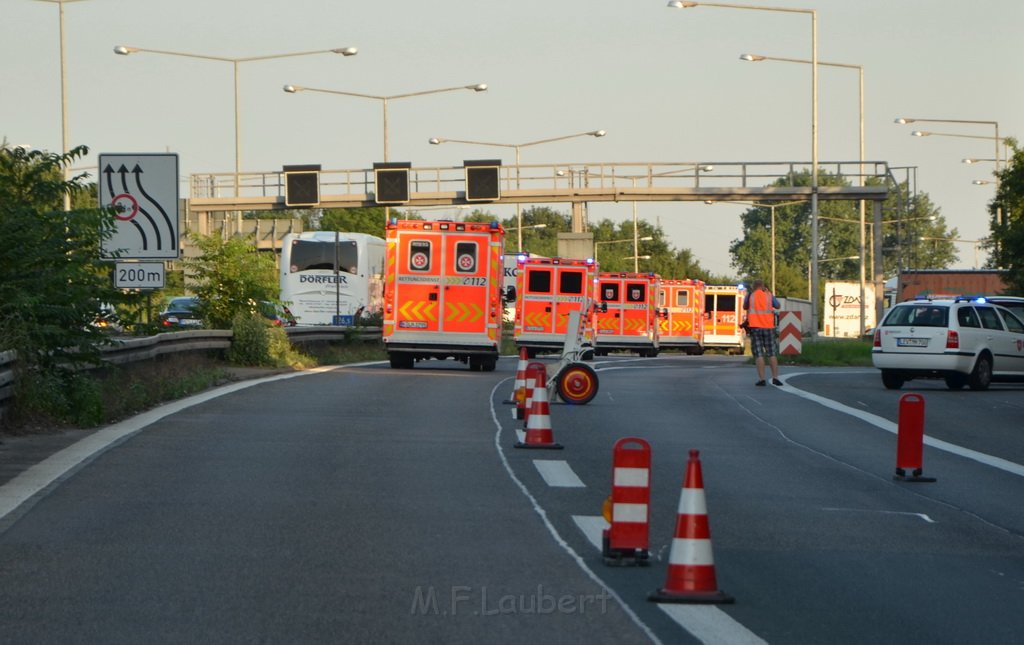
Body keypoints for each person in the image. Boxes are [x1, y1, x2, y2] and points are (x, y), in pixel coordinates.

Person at [743, 279, 782, 386]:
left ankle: (762, 379)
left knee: (759, 354)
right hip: (768, 328)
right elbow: (778, 305)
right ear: (763, 286)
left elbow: (745, 306)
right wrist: (769, 292)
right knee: (772, 353)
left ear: (754, 287)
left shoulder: (750, 296)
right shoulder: (769, 295)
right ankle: (775, 378)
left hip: (755, 328)